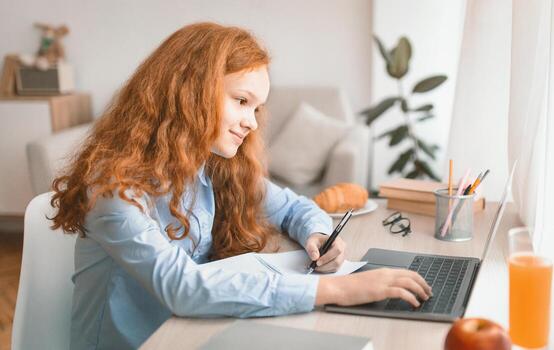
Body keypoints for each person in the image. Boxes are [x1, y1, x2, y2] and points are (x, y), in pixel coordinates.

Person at [50, 22, 432, 350]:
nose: (251, 122)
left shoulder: (211, 165)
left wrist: (318, 234)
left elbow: (291, 207)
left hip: (197, 331)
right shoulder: (112, 188)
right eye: (241, 101)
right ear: (189, 94)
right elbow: (182, 288)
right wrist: (339, 291)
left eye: (256, 108)